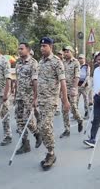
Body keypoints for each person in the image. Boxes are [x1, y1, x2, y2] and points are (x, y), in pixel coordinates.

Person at [37, 37, 70, 170]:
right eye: (41, 46)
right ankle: (49, 151)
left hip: (51, 100)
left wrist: (65, 100)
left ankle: (51, 153)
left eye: (44, 46)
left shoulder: (57, 62)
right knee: (42, 127)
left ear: (51, 47)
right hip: (41, 100)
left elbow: (63, 82)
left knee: (45, 126)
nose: (42, 48)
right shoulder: (41, 62)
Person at [14, 43, 42, 155]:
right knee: (19, 121)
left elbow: (35, 81)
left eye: (22, 49)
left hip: (29, 96)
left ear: (28, 50)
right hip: (19, 96)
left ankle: (37, 134)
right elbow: (17, 80)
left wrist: (36, 98)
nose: (19, 51)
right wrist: (15, 94)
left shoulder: (33, 63)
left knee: (27, 120)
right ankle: (25, 144)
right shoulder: (18, 63)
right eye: (19, 49)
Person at [60, 46, 84, 138]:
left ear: (72, 52)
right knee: (64, 109)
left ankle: (79, 120)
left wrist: (75, 88)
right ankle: (67, 129)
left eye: (67, 51)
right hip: (64, 89)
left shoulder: (76, 62)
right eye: (64, 52)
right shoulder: (62, 63)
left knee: (73, 107)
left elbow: (77, 76)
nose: (65, 53)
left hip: (72, 89)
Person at [77, 54, 90, 119]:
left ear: (84, 59)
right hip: (78, 85)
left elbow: (88, 75)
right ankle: (76, 114)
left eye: (81, 58)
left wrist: (84, 83)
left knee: (86, 100)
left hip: (85, 86)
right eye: (79, 58)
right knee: (76, 100)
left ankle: (86, 113)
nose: (80, 59)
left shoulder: (87, 66)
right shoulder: (77, 65)